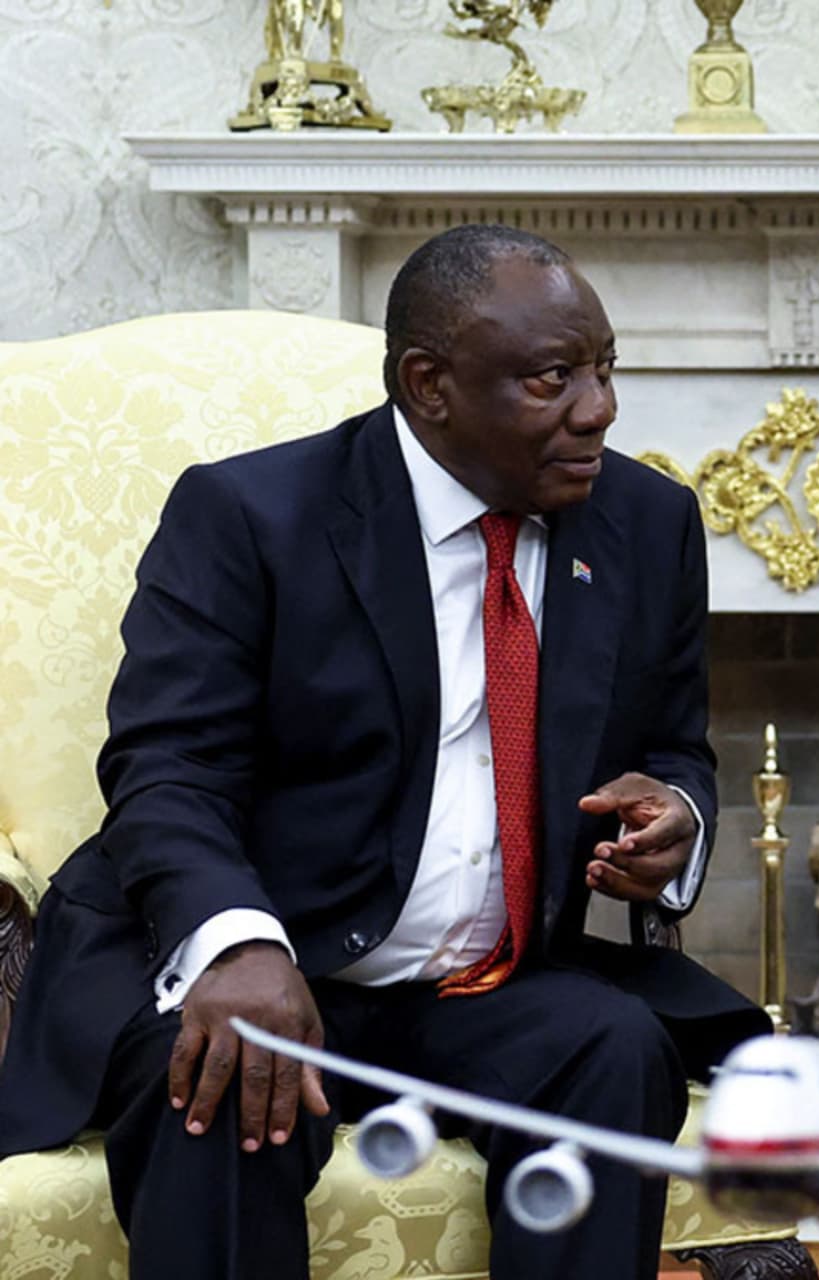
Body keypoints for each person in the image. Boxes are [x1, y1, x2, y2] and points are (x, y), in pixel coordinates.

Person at [0, 225, 769, 1280]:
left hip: (478, 986)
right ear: (430, 384)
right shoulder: (252, 515)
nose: (598, 408)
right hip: (261, 962)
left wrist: (674, 819)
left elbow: (676, 745)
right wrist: (236, 945)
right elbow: (165, 769)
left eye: (603, 369)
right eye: (553, 378)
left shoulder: (647, 522)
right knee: (223, 1068)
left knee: (612, 1046)